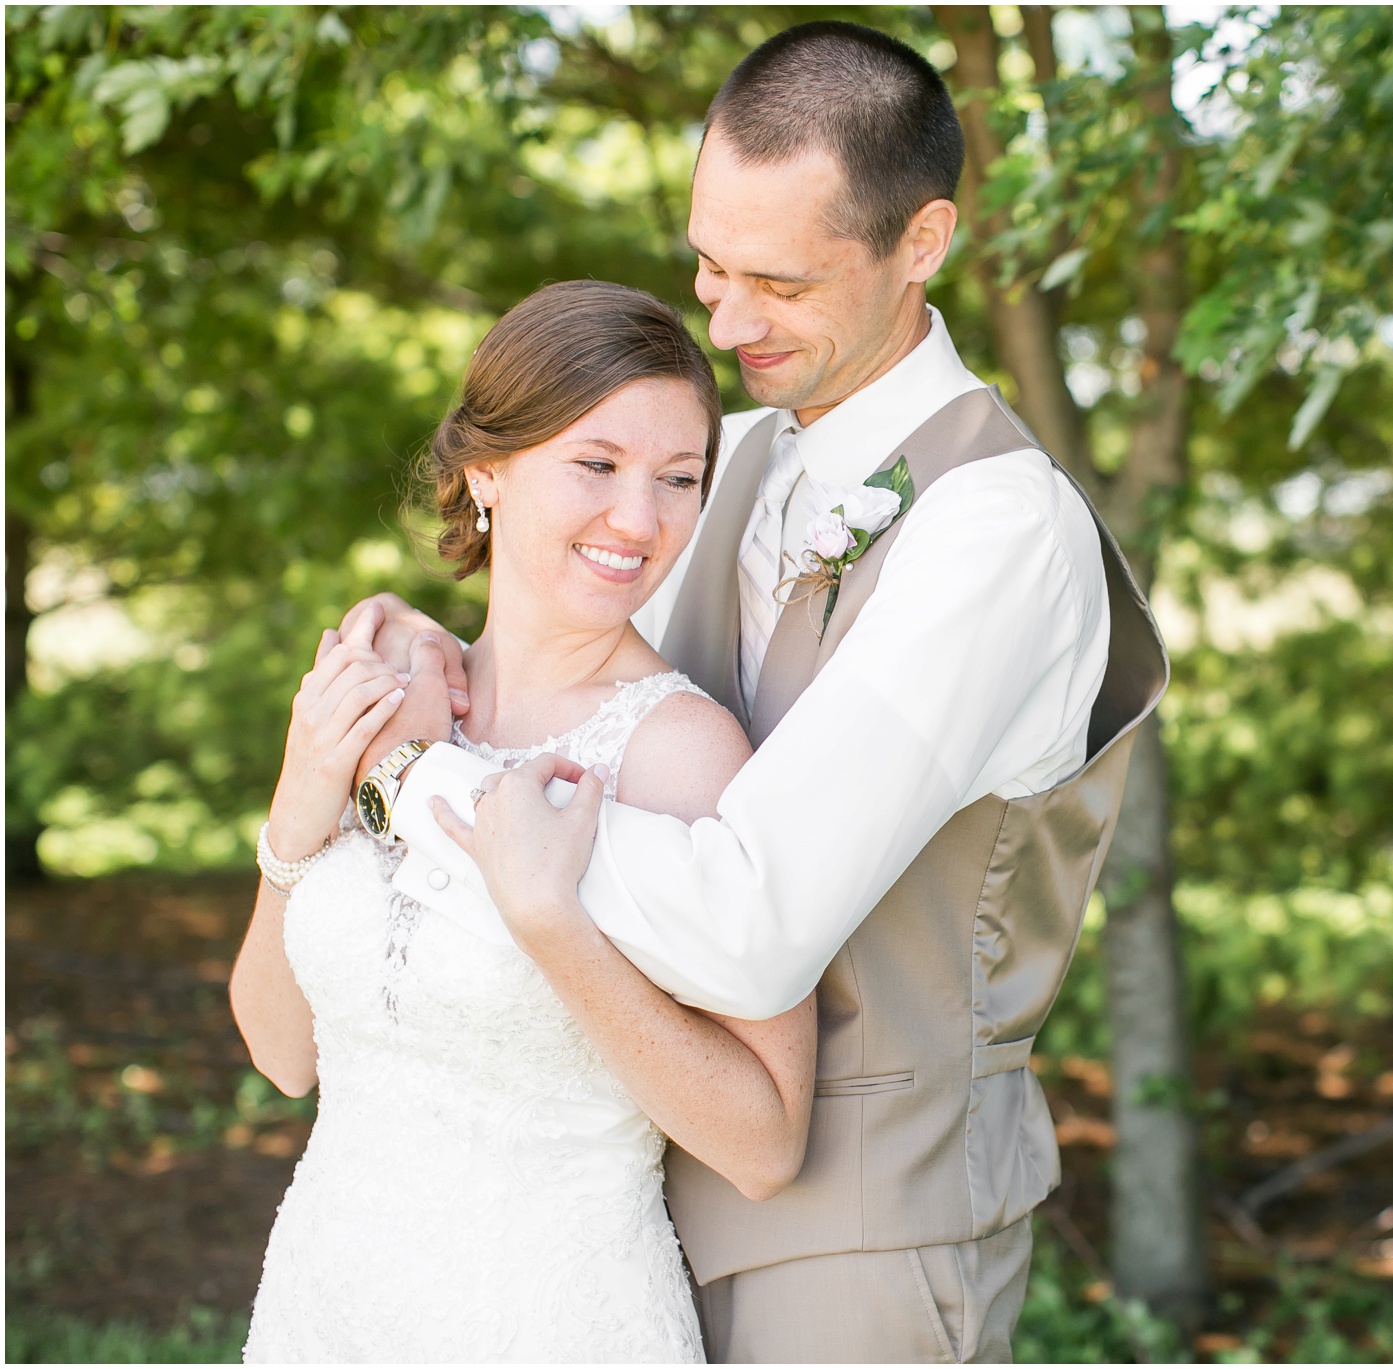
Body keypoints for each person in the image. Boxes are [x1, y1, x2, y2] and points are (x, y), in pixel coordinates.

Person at [348, 20, 1167, 1363]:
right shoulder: (720, 459)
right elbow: (587, 700)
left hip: (861, 1238)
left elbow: (749, 922)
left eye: (778, 283)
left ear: (922, 245)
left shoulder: (996, 529)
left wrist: (426, 776)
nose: (723, 323)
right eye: (709, 266)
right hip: (620, 1210)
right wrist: (423, 658)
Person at [230, 280, 817, 1363]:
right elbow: (282, 1053)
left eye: (677, 479)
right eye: (595, 465)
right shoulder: (394, 697)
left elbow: (765, 1141)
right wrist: (300, 806)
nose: (638, 521)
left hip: (550, 1315)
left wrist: (556, 927)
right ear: (483, 469)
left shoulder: (679, 751)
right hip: (328, 1301)